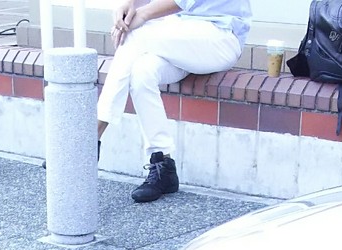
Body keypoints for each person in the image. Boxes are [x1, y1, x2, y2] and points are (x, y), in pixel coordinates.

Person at [96, 0, 251, 203]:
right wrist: (131, 4)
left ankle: (93, 134)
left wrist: (142, 14)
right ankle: (163, 164)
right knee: (142, 72)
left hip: (221, 34)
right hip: (181, 32)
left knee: (134, 34)